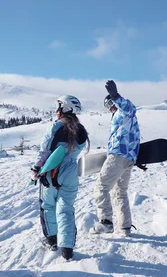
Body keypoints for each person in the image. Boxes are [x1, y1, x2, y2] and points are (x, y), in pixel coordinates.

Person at [32, 95, 88, 261]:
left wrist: (37, 169)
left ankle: (52, 241)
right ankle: (67, 249)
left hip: (53, 170)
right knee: (65, 208)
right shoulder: (82, 130)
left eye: (59, 106)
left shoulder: (56, 126)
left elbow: (45, 150)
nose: (56, 109)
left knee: (48, 205)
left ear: (66, 108)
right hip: (71, 171)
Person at [91, 80, 140, 236]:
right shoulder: (118, 118)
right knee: (119, 191)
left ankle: (106, 221)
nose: (110, 107)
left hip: (119, 155)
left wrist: (116, 95)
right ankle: (124, 227)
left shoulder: (124, 112)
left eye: (111, 104)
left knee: (101, 186)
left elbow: (129, 108)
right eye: (107, 106)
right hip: (128, 157)